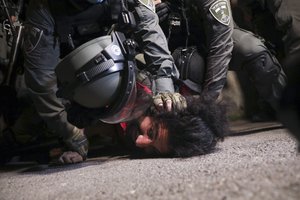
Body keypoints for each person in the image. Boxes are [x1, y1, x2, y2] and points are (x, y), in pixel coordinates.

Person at [22, 0, 180, 164]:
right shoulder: (43, 8)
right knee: (32, 119)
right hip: (73, 81)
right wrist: (73, 136)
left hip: (121, 61)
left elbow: (152, 35)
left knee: (153, 80)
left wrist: (165, 90)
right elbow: (42, 82)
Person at [54, 32, 227, 158]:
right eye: (151, 132)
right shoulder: (146, 84)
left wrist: (77, 147)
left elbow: (97, 124)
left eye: (151, 150)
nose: (139, 142)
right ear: (164, 110)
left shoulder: (133, 132)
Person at [155, 0, 287, 121]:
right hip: (167, 49)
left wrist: (208, 102)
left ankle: (289, 110)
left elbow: (221, 45)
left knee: (252, 50)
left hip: (210, 41)